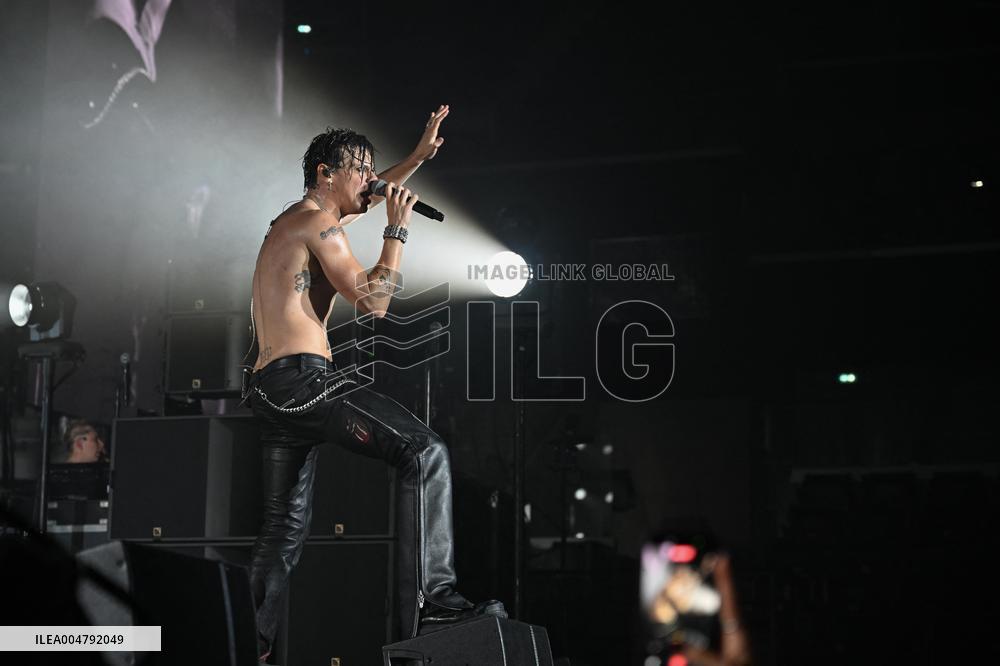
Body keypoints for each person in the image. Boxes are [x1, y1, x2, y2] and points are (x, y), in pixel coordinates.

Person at [246, 105, 505, 660]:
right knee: (425, 451)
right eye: (359, 169)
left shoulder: (299, 219)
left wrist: (416, 158)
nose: (370, 180)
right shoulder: (317, 222)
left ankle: (252, 647)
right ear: (324, 172)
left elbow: (367, 195)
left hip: (273, 389)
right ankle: (434, 599)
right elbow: (374, 302)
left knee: (280, 534)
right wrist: (397, 228)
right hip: (302, 382)